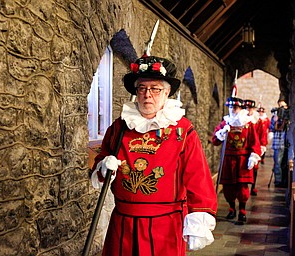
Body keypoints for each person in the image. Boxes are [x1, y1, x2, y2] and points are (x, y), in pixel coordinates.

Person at [90, 54, 217, 255]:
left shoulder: (182, 131)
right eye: (142, 88)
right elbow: (100, 162)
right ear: (136, 92)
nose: (148, 95)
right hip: (123, 223)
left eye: (155, 89)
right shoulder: (118, 128)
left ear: (167, 93)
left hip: (164, 225)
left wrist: (199, 214)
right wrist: (103, 167)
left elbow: (198, 176)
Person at [212, 95, 261, 225]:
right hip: (228, 159)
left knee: (242, 187)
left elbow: (254, 141)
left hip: (242, 160)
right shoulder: (225, 123)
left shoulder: (248, 124)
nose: (233, 110)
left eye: (236, 107)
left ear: (241, 108)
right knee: (228, 187)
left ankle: (243, 211)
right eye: (231, 107)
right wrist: (221, 133)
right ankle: (232, 208)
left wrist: (253, 156)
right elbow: (215, 141)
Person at [244, 99, 268, 196]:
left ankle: (253, 186)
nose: (248, 110)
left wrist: (261, 147)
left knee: (254, 168)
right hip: (244, 147)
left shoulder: (258, 122)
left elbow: (262, 135)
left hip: (255, 148)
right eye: (246, 108)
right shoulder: (241, 120)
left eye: (250, 108)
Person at [269, 99, 289, 187]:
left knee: (286, 164)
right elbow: (271, 128)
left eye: (284, 107)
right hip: (278, 143)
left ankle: (286, 181)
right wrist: (275, 120)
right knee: (277, 163)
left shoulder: (289, 116)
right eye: (280, 107)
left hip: (288, 144)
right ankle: (278, 181)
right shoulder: (275, 117)